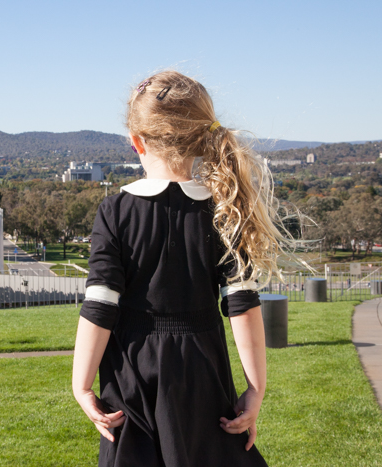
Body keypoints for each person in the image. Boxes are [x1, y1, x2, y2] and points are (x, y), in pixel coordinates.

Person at [72, 71, 286, 466]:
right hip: (202, 370)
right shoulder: (225, 209)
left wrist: (80, 384)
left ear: (136, 141)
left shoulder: (115, 211)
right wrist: (255, 390)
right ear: (202, 140)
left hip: (132, 372)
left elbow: (100, 305)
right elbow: (242, 305)